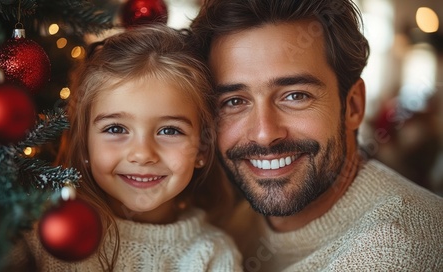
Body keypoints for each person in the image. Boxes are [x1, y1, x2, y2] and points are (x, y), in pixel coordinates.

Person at [189, 0, 443, 271]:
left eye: (295, 96)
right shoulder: (227, 230)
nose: (264, 134)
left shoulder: (398, 248)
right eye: (234, 102)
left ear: (353, 106)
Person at [10, 24, 242, 271]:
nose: (142, 154)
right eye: (116, 129)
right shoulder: (38, 232)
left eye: (170, 131)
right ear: (85, 144)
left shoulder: (213, 256)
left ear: (202, 149)